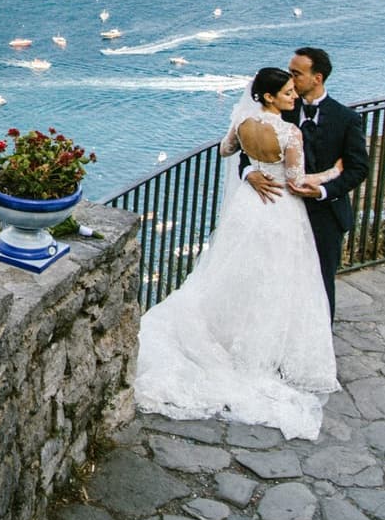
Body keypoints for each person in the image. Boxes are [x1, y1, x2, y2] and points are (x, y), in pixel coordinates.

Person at [131, 67, 340, 440]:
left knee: (238, 272)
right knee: (275, 277)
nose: (294, 96)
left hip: (248, 205)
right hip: (279, 209)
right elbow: (296, 181)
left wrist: (250, 171)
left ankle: (229, 335)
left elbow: (226, 149)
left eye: (295, 91)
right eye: (288, 93)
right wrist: (331, 172)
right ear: (269, 97)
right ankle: (263, 350)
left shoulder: (243, 120)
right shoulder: (289, 132)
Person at [246, 46, 369, 318]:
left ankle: (318, 344)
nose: (289, 80)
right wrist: (249, 174)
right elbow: (249, 150)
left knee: (321, 283)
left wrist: (324, 190)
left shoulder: (346, 119)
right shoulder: (280, 109)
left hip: (326, 216)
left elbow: (358, 168)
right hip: (280, 210)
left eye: (296, 74)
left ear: (318, 78)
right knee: (277, 279)